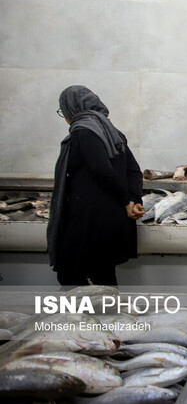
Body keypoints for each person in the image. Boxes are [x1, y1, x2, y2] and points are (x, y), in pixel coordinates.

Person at [47, 85, 144, 287]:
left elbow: (102, 170)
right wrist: (134, 200)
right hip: (111, 218)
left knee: (69, 274)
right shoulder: (112, 132)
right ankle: (108, 317)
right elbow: (133, 171)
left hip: (89, 219)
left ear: (72, 109)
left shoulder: (83, 131)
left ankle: (83, 318)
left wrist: (127, 201)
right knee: (103, 275)